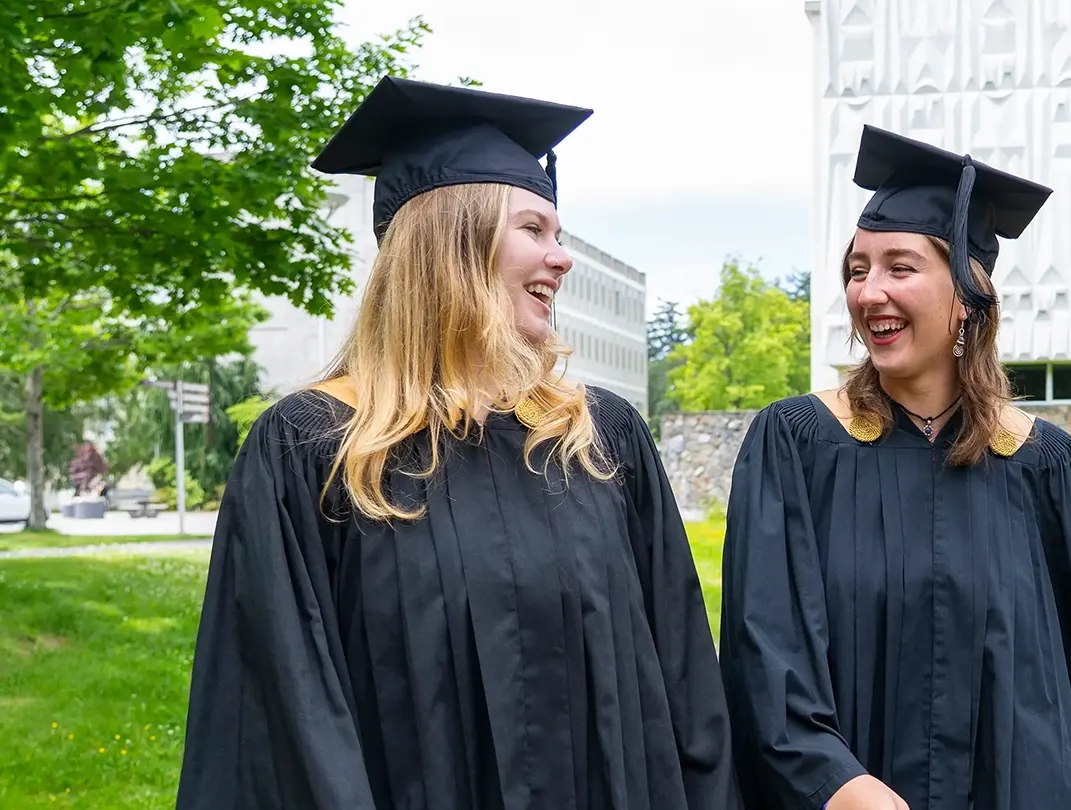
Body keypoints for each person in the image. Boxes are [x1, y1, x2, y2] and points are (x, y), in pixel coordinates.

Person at [176, 76, 739, 810]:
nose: (561, 258)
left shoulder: (599, 441)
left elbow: (685, 683)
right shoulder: (315, 449)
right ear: (451, 243)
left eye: (559, 235)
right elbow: (282, 720)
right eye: (534, 230)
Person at [718, 125, 1071, 810]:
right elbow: (764, 658)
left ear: (967, 294)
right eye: (857, 269)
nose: (869, 292)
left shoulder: (1043, 465)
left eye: (899, 268)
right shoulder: (799, 445)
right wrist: (839, 786)